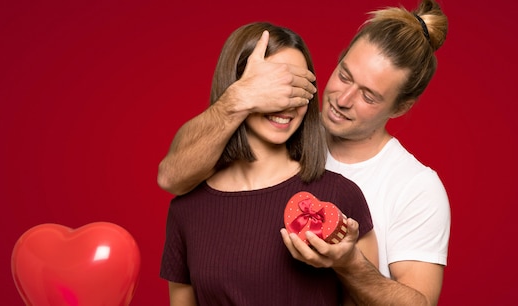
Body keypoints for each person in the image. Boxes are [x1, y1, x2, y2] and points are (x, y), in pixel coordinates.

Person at [158, 0, 450, 305]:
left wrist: (349, 262)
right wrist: (242, 95)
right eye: (345, 75)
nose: (344, 98)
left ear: (401, 107)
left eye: (368, 95)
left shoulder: (412, 187)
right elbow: (171, 176)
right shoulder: (201, 197)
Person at [159, 22, 378, 306]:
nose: (286, 103)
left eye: (298, 89)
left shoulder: (340, 196)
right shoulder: (186, 210)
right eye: (274, 87)